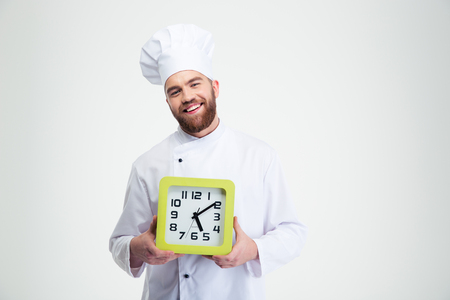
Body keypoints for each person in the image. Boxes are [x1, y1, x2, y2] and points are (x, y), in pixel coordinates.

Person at [109, 24, 308, 300]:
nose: (187, 97)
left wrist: (253, 250)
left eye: (194, 84)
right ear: (167, 102)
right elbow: (119, 242)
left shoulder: (259, 156)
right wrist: (136, 247)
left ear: (214, 87)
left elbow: (293, 233)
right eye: (175, 91)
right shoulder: (147, 165)